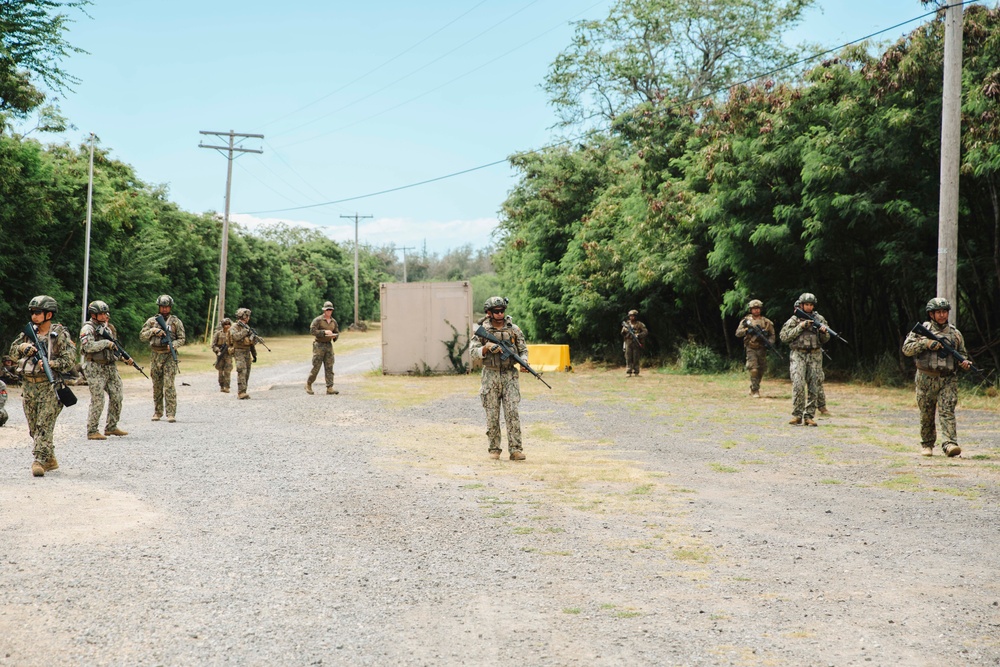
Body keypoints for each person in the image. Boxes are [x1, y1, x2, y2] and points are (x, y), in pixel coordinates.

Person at [8, 295, 77, 476]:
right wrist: (23, 348)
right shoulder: (27, 334)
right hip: (29, 387)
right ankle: (50, 458)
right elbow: (12, 353)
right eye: (32, 312)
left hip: (50, 386)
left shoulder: (60, 334)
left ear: (49, 314)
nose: (34, 316)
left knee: (44, 426)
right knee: (33, 428)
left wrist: (51, 364)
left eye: (38, 312)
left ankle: (38, 460)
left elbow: (69, 360)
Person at [901, 297, 972, 457]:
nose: (942, 315)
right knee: (926, 412)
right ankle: (927, 444)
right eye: (938, 312)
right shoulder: (920, 331)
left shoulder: (955, 334)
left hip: (947, 379)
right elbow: (906, 349)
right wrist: (925, 344)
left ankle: (950, 443)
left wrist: (964, 363)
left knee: (947, 411)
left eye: (944, 312)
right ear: (931, 314)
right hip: (925, 378)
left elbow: (962, 354)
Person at [471, 296, 529, 461]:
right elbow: (472, 351)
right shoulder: (483, 331)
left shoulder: (514, 330)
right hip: (490, 375)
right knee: (492, 414)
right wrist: (486, 347)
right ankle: (494, 449)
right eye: (496, 311)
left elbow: (523, 350)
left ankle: (516, 449)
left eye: (502, 310)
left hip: (510, 375)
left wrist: (524, 362)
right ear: (489, 313)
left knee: (512, 412)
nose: (500, 314)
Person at [79, 300, 130, 440]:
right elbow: (88, 347)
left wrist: (124, 358)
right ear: (93, 314)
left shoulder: (107, 329)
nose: (103, 316)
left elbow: (114, 348)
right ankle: (92, 430)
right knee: (98, 399)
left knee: (117, 395)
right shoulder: (87, 329)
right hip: (95, 367)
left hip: (110, 367)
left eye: (104, 313)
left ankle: (111, 426)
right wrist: (106, 343)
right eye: (100, 313)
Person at [780, 292, 830, 426]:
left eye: (811, 305)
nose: (809, 307)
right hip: (798, 354)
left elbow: (825, 339)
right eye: (806, 304)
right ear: (801, 305)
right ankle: (797, 415)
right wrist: (800, 327)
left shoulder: (819, 318)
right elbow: (784, 337)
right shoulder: (795, 319)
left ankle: (809, 416)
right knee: (798, 383)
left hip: (815, 355)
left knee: (814, 385)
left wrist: (823, 332)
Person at [140, 294, 186, 422]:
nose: (164, 309)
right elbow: (142, 336)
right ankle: (157, 412)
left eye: (167, 307)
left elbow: (182, 338)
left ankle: (170, 413)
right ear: (159, 307)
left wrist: (173, 345)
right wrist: (153, 331)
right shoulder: (151, 321)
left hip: (169, 356)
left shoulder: (176, 321)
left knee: (169, 384)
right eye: (162, 307)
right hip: (155, 355)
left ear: (170, 307)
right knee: (157, 385)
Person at [735, 299, 775, 398]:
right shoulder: (746, 321)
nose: (756, 310)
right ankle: (755, 390)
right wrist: (747, 330)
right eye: (754, 308)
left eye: (758, 308)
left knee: (761, 369)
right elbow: (738, 333)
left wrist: (769, 343)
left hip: (762, 348)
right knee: (754, 369)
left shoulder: (766, 322)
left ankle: (754, 386)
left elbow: (772, 335)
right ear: (750, 309)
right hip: (751, 348)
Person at [307, 301, 339, 395]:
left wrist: (335, 336)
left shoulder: (333, 322)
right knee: (316, 366)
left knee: (329, 366)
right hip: (319, 345)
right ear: (324, 310)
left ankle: (330, 387)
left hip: (328, 345)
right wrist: (324, 332)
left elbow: (337, 331)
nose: (329, 311)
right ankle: (309, 384)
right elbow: (312, 331)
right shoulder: (318, 320)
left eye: (330, 310)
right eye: (327, 310)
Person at [229, 308, 257, 399]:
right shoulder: (234, 327)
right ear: (243, 316)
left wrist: (254, 354)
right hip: (238, 351)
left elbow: (251, 343)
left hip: (247, 352)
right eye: (247, 316)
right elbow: (236, 337)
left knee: (247, 371)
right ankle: (241, 392)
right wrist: (245, 331)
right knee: (242, 370)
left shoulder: (247, 327)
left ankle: (244, 391)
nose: (248, 318)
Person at [621, 309, 648, 377]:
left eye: (633, 316)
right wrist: (625, 330)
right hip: (628, 342)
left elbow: (645, 332)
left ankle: (636, 372)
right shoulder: (627, 324)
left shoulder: (640, 324)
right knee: (628, 357)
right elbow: (622, 333)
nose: (631, 317)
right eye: (630, 316)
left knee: (636, 357)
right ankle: (629, 372)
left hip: (636, 342)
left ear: (636, 316)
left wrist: (638, 335)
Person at [212, 318, 233, 393]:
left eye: (228, 324)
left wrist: (231, 349)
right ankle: (221, 385)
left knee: (228, 371)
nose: (227, 326)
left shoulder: (232, 334)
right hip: (220, 354)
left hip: (228, 354)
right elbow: (213, 345)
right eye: (225, 324)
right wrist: (217, 350)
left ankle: (227, 387)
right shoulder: (218, 333)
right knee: (220, 371)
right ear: (223, 325)